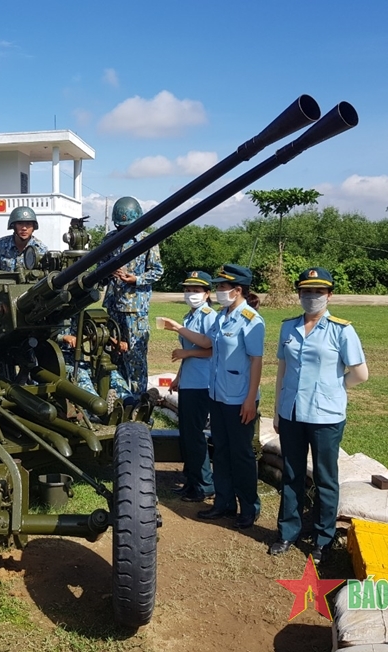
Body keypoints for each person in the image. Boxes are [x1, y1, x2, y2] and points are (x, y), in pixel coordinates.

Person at [268, 267, 368, 563]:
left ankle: (323, 537)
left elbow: (360, 374)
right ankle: (288, 531)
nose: (312, 297)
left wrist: (335, 387)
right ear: (299, 294)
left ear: (329, 295)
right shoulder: (289, 327)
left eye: (319, 292)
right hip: (292, 413)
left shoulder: (342, 329)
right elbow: (282, 370)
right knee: (292, 474)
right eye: (306, 291)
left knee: (325, 477)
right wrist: (277, 409)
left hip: (326, 416)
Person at [197, 264, 264, 529]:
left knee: (242, 454)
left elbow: (256, 361)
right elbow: (211, 346)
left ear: (237, 291)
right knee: (221, 452)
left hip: (239, 398)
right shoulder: (222, 316)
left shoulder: (251, 320)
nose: (218, 292)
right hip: (218, 394)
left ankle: (249, 507)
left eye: (222, 287)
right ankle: (223, 503)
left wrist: (250, 399)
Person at [98, 196, 163, 398]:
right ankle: (119, 399)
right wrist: (109, 271)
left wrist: (135, 278)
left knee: (135, 357)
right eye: (121, 226)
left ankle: (138, 400)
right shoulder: (109, 240)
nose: (124, 230)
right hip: (113, 305)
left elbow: (157, 271)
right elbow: (98, 269)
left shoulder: (147, 241)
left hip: (135, 309)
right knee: (113, 353)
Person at [159, 271, 216, 503]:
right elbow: (188, 355)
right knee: (187, 435)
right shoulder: (190, 316)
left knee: (195, 436)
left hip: (203, 383)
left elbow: (211, 347)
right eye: (188, 289)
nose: (191, 294)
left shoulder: (209, 316)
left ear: (207, 293)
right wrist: (179, 377)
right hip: (190, 381)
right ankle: (192, 482)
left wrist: (179, 332)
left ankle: (204, 484)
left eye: (196, 290)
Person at [0, 206, 49, 271]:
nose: (24, 228)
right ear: (13, 226)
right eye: (20, 224)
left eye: (28, 224)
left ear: (33, 227)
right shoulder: (1, 244)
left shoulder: (40, 249)